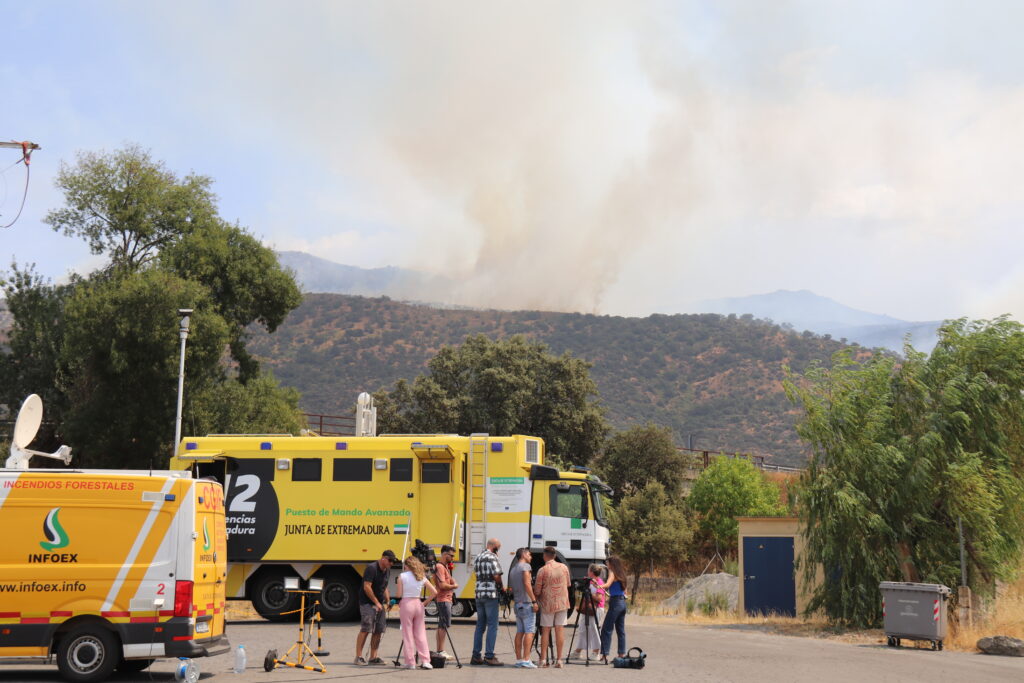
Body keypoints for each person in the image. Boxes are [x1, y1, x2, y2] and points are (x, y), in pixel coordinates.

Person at [355, 549, 397, 666]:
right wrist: (376, 602)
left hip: (379, 603)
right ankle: (358, 657)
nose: (391, 563)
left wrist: (388, 601)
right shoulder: (371, 568)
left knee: (378, 630)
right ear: (383, 558)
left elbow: (384, 587)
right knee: (366, 628)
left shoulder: (387, 570)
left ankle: (373, 657)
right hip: (367, 603)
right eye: (390, 561)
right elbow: (367, 587)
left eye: (393, 561)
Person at [396, 555, 438, 669]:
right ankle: (426, 661)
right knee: (420, 633)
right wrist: (424, 603)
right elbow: (434, 592)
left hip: (406, 604)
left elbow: (399, 595)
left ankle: (410, 662)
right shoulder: (421, 576)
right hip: (418, 604)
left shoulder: (402, 576)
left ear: (407, 565)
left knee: (407, 634)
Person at [533, 546, 571, 668]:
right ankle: (559, 660)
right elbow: (568, 584)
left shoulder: (542, 570)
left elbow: (537, 590)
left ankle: (543, 659)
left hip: (547, 603)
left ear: (544, 556)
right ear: (554, 556)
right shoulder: (564, 567)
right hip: (562, 602)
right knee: (559, 629)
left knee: (546, 630)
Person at [470, 537, 504, 666]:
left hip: (479, 593)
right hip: (491, 594)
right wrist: (501, 586)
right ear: (494, 547)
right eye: (498, 548)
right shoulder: (492, 557)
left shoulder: (478, 557)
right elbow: (496, 575)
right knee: (492, 626)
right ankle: (489, 656)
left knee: (480, 625)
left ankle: (476, 656)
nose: (498, 551)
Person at [508, 548, 539, 668]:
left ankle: (519, 659)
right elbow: (527, 584)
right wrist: (534, 600)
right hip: (526, 603)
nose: (531, 557)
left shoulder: (513, 569)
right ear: (524, 554)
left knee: (520, 632)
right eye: (529, 554)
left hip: (517, 603)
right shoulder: (526, 567)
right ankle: (526, 659)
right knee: (529, 632)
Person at [571, 564, 606, 660]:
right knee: (582, 628)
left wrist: (589, 593)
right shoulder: (589, 581)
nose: (587, 572)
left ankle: (596, 652)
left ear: (591, 572)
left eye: (588, 570)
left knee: (593, 629)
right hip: (587, 607)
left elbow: (599, 598)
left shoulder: (599, 582)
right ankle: (578, 651)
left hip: (596, 608)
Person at [599, 555, 628, 664]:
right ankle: (621, 654)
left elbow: (607, 584)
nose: (607, 564)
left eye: (608, 562)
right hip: (622, 602)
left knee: (606, 629)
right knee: (620, 630)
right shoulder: (622, 574)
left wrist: (599, 586)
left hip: (615, 603)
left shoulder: (612, 573)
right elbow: (625, 591)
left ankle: (604, 654)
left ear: (612, 563)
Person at [431, 544, 458, 659]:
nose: (452, 558)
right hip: (443, 599)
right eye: (451, 555)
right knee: (443, 626)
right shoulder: (440, 567)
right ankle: (440, 650)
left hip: (445, 599)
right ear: (444, 554)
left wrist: (452, 582)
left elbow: (448, 581)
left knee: (442, 626)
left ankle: (440, 650)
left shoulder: (444, 567)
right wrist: (454, 586)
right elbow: (442, 585)